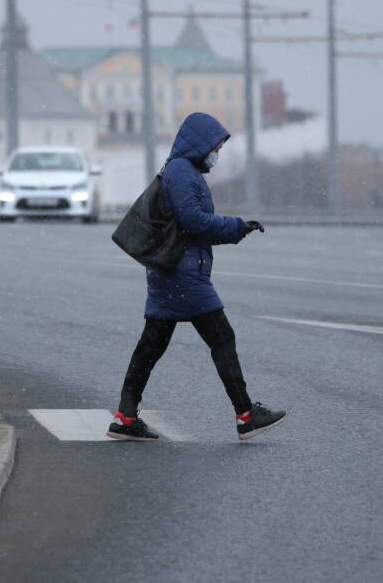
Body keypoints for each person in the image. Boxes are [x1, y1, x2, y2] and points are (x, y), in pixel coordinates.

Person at [107, 112, 286, 442]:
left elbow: (190, 225)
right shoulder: (182, 173)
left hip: (172, 272)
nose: (217, 153)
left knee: (150, 346)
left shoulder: (180, 171)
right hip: (184, 276)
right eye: (215, 146)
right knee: (222, 339)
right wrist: (234, 226)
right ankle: (246, 415)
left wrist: (235, 230)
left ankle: (125, 416)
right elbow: (193, 221)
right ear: (201, 144)